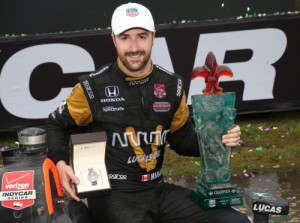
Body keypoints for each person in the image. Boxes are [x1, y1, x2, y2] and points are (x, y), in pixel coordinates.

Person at [46, 2, 251, 223]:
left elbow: (182, 140)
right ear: (113, 39)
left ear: (154, 36)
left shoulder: (172, 85)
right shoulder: (92, 87)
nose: (134, 47)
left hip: (156, 190)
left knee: (233, 220)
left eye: (142, 36)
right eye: (125, 37)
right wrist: (60, 162)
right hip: (113, 195)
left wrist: (218, 136)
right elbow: (56, 123)